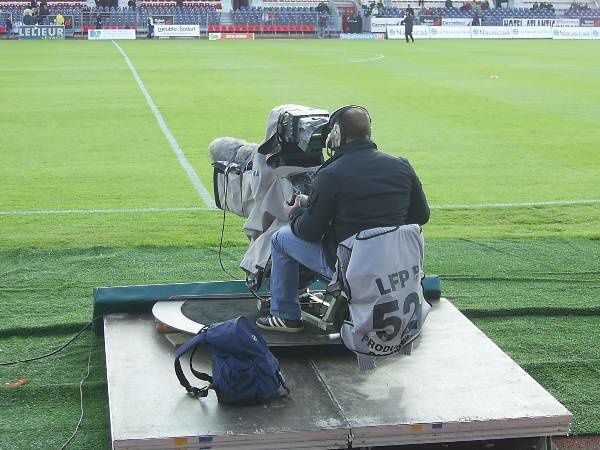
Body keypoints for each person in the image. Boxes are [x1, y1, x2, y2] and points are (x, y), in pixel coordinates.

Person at [255, 106, 430, 332]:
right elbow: (420, 216)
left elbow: (309, 231)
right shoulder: (401, 165)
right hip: (396, 267)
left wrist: (295, 213)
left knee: (281, 238)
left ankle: (285, 315)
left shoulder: (330, 174)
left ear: (336, 135)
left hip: (352, 269)